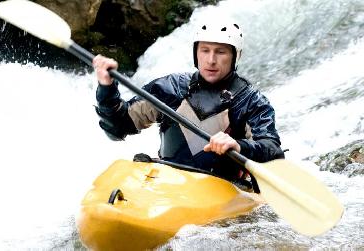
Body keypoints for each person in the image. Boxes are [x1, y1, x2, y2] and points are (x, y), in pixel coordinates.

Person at [93, 20, 285, 188]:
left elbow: (273, 153)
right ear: (196, 53)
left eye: (220, 52)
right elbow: (117, 129)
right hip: (168, 179)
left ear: (235, 56)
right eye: (205, 50)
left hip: (224, 187)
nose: (211, 60)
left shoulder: (250, 101)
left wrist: (240, 146)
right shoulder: (170, 88)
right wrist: (106, 88)